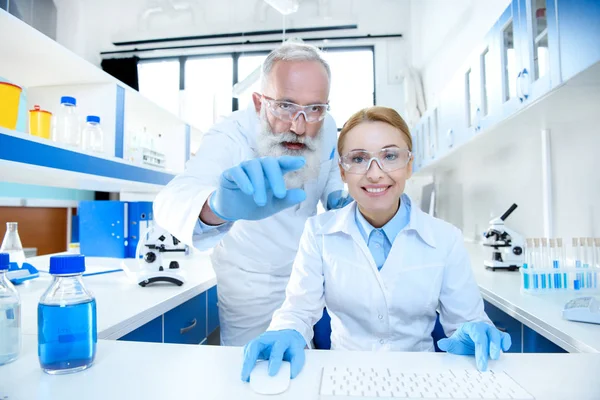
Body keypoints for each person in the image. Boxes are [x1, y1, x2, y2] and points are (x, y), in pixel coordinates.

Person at [240, 106, 511, 381]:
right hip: (344, 378)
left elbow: (467, 320)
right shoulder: (318, 233)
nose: (375, 174)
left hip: (422, 379)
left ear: (409, 164)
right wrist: (286, 330)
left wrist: (474, 329)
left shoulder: (445, 238)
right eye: (358, 159)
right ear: (343, 172)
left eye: (390, 156)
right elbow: (298, 310)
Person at [153, 43, 352, 346]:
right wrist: (219, 208)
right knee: (252, 375)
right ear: (259, 103)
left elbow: (326, 174)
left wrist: (337, 196)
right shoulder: (231, 134)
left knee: (306, 366)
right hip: (250, 285)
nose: (299, 126)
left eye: (314, 108)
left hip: (306, 274)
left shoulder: (325, 126)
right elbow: (170, 200)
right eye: (285, 105)